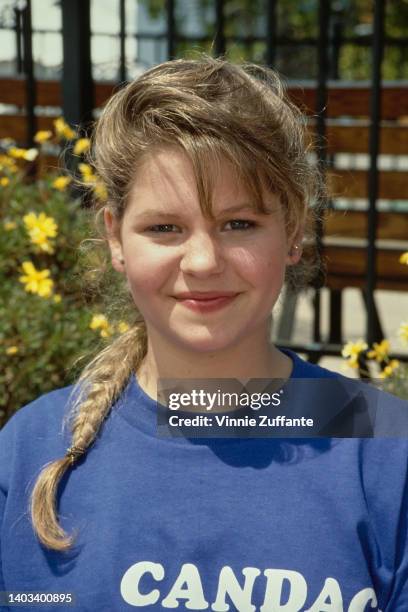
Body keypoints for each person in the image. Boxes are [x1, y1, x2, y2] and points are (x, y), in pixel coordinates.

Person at [0, 53, 407, 612]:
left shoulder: (387, 452)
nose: (202, 260)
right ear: (116, 238)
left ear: (292, 229)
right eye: (164, 227)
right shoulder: (31, 450)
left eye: (239, 223)